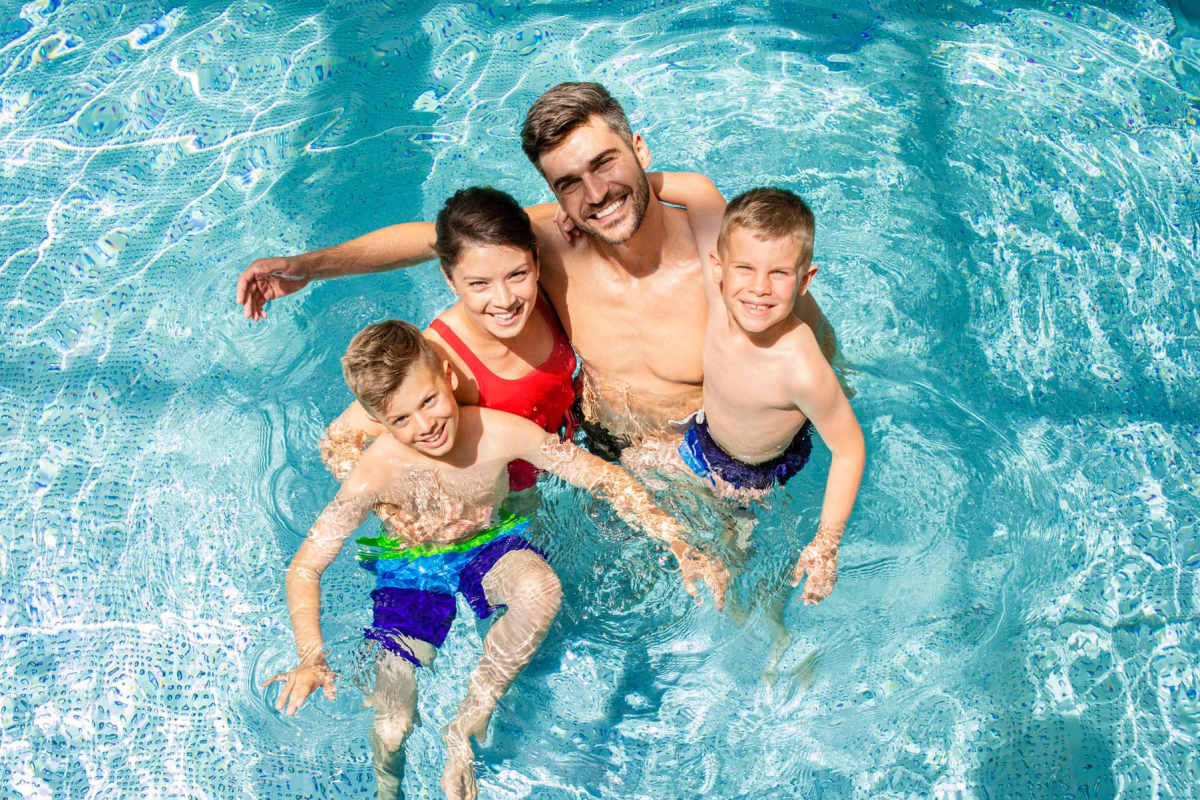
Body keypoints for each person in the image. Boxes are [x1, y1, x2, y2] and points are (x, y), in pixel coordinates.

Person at [235, 82, 832, 458]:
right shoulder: (549, 243)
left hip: (714, 457)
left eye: (605, 164)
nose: (595, 195)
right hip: (600, 449)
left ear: (641, 150)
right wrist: (307, 267)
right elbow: (432, 239)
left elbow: (810, 345)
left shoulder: (721, 257)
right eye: (569, 183)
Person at [264, 321, 728, 800]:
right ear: (377, 421)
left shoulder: (496, 433)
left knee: (540, 589)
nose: (425, 425)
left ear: (447, 376)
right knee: (392, 724)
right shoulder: (374, 474)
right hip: (412, 570)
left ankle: (467, 722)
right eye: (401, 419)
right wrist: (310, 657)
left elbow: (599, 476)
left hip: (486, 546)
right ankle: (388, 790)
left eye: (428, 401)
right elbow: (305, 566)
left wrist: (675, 539)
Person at [631, 186, 866, 605]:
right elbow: (698, 197)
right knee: (626, 469)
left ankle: (764, 621)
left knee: (732, 563)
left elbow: (849, 450)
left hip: (751, 477)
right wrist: (614, 194)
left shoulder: (799, 366)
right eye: (745, 268)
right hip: (701, 439)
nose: (759, 288)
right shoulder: (720, 300)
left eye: (779, 273)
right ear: (718, 268)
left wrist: (826, 544)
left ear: (805, 280)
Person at [320, 187, 576, 499]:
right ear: (449, 279)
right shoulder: (440, 357)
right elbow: (339, 441)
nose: (505, 300)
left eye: (517, 275)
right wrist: (392, 503)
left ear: (536, 261)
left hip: (566, 452)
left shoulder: (545, 295)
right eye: (479, 284)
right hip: (506, 499)